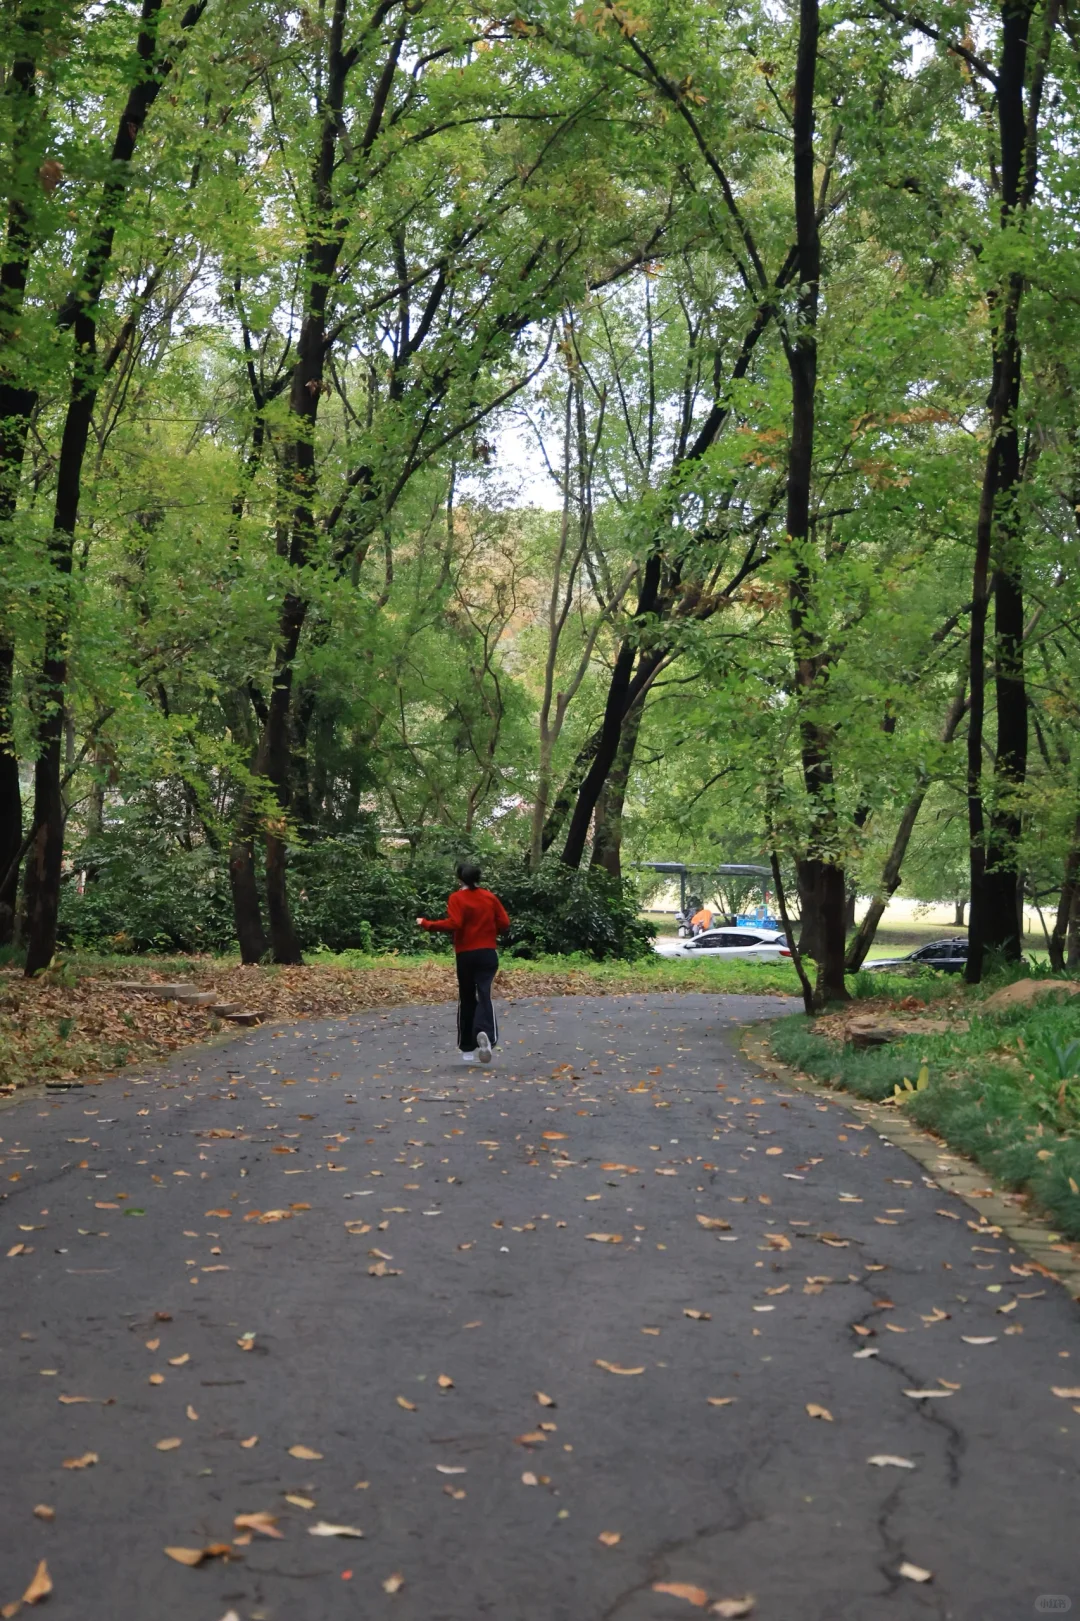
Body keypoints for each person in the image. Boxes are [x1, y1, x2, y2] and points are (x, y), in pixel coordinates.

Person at [417, 860, 510, 1064]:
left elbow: (455, 923)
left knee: (467, 996)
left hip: (466, 954)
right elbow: (504, 922)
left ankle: (467, 1049)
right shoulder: (490, 897)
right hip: (487, 953)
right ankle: (486, 1034)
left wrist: (427, 924)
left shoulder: (457, 898)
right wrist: (489, 930)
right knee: (484, 994)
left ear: (460, 878)